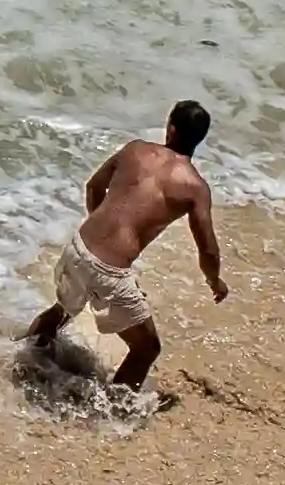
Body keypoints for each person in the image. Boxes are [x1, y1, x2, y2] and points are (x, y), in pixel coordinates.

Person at [19, 99, 224, 392]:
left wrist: (101, 230)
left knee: (62, 310)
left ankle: (22, 362)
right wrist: (215, 281)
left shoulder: (135, 149)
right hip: (109, 273)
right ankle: (113, 411)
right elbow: (208, 250)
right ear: (200, 138)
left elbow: (93, 186)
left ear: (170, 127)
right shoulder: (195, 187)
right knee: (147, 348)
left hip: (78, 248)